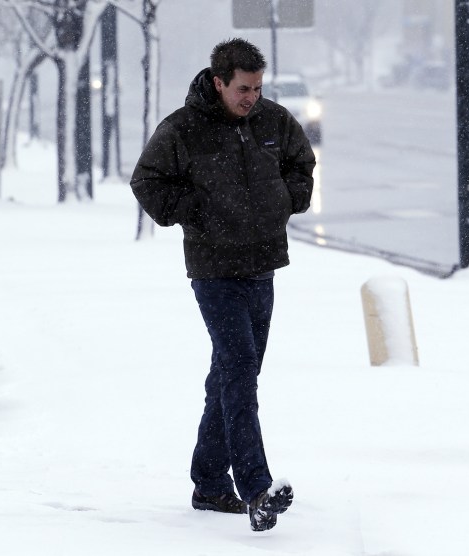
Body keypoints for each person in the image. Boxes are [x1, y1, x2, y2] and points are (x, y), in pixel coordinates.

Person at [130, 38, 315, 532]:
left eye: (257, 87)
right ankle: (256, 488)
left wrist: (286, 199)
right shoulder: (183, 129)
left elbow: (302, 165)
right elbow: (146, 182)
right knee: (239, 372)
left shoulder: (274, 121)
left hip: (263, 266)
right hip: (214, 271)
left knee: (232, 374)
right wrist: (195, 213)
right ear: (218, 82)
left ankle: (210, 483)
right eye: (242, 89)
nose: (251, 97)